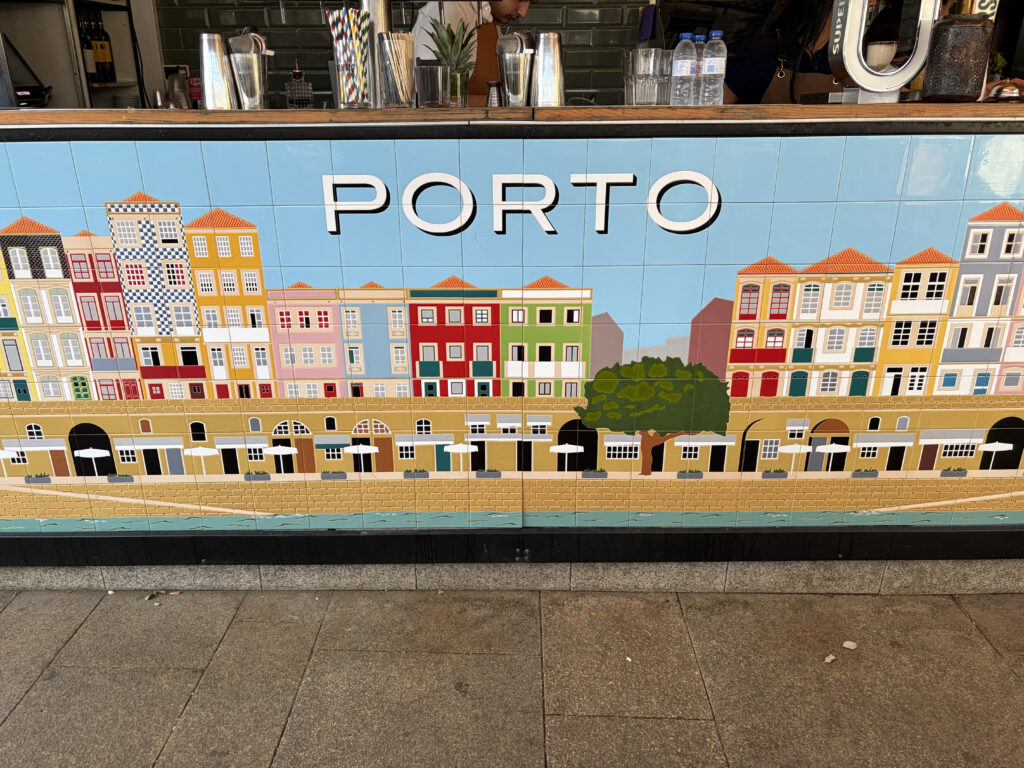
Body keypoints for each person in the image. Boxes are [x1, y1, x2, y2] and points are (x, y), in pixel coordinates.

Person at [412, 1, 537, 105]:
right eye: (521, 0)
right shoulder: (449, 11)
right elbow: (430, 99)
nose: (523, 12)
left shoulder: (486, 16)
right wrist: (503, 103)